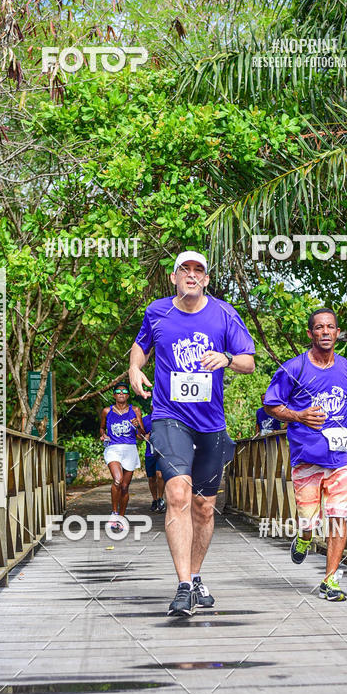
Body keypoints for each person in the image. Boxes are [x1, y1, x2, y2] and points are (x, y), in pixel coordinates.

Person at [129, 250, 256, 616]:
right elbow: (140, 347)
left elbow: (249, 361)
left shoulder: (224, 313)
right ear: (173, 278)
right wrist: (135, 369)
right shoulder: (157, 312)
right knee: (178, 494)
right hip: (170, 416)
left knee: (203, 507)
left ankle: (197, 576)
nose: (191, 275)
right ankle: (183, 585)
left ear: (206, 279)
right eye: (184, 269)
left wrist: (227, 359)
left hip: (211, 423)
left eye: (198, 270)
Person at [263, 308, 347, 601]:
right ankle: (305, 535)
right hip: (306, 457)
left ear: (337, 333)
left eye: (330, 327)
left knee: (339, 517)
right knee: (309, 520)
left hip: (340, 457)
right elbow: (270, 405)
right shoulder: (292, 369)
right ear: (310, 334)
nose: (325, 331)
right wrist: (299, 415)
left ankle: (330, 580)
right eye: (319, 327)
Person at [99, 382, 145, 529]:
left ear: (128, 395)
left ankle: (121, 518)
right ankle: (113, 513)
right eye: (118, 391)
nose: (121, 393)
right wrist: (104, 435)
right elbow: (101, 428)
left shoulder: (136, 410)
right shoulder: (107, 411)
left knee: (125, 487)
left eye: (124, 391)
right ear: (114, 395)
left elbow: (141, 434)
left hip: (130, 449)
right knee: (118, 480)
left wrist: (137, 425)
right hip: (113, 448)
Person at [140, 410, 166, 512]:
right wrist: (144, 437)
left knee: (160, 475)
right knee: (151, 478)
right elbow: (139, 435)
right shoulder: (145, 419)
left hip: (161, 452)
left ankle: (160, 498)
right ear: (150, 406)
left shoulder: (165, 418)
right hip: (149, 453)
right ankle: (154, 500)